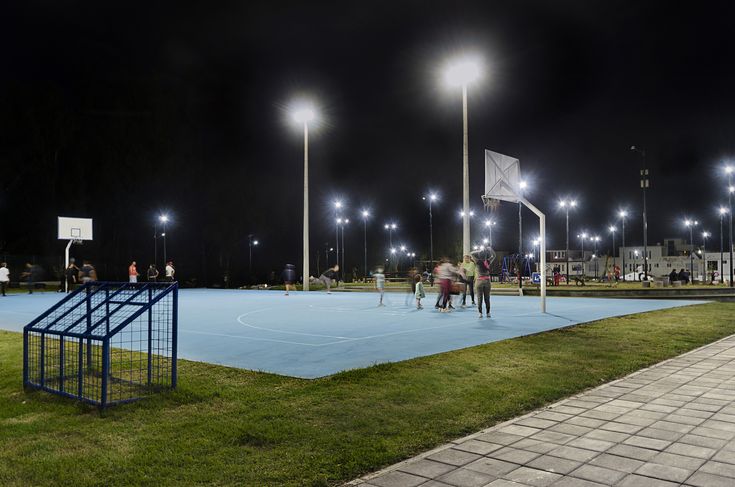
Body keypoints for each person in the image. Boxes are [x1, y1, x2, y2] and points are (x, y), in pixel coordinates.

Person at [472, 246, 497, 318]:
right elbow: (494, 255)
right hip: (487, 280)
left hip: (479, 281)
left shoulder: (477, 262)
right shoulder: (488, 262)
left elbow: (471, 253)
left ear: (479, 255)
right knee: (487, 298)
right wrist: (490, 249)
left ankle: (480, 313)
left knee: (479, 298)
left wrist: (478, 250)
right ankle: (488, 313)